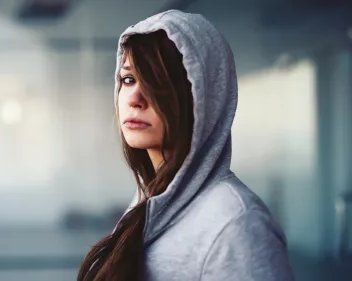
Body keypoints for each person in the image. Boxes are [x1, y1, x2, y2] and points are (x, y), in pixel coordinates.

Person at [77, 10, 295, 281]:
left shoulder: (236, 223)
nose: (135, 98)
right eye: (128, 79)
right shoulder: (147, 200)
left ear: (203, 100)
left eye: (157, 83)